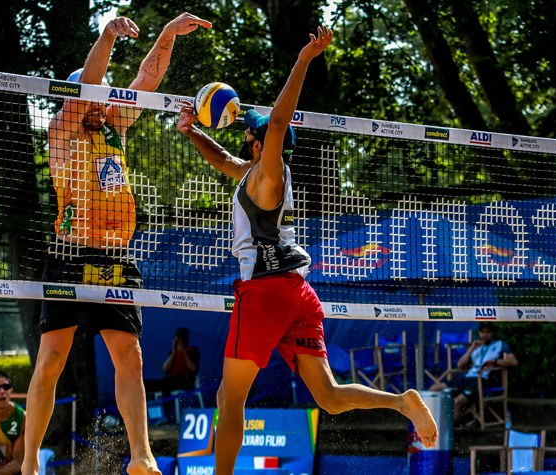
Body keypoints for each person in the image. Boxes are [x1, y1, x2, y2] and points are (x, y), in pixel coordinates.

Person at [176, 26, 439, 474]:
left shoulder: (269, 173)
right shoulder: (256, 174)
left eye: (251, 137)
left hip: (265, 292)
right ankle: (402, 402)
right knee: (331, 399)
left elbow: (277, 123)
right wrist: (191, 132)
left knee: (228, 397)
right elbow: (225, 161)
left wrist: (304, 59)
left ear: (262, 145)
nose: (245, 139)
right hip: (297, 291)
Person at [23, 12, 211, 475]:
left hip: (114, 255)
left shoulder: (114, 126)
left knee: (130, 354)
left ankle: (141, 456)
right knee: (50, 360)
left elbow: (147, 78)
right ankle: (28, 462)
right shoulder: (63, 129)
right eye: (96, 96)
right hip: (70, 253)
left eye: (105, 98)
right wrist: (106, 34)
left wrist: (166, 34)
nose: (103, 101)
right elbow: (89, 81)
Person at [430, 321, 517, 422]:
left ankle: (448, 431)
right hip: (467, 378)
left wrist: (495, 361)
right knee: (434, 389)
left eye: (488, 332)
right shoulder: (476, 347)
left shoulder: (499, 345)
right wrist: (471, 348)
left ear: (492, 333)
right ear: (479, 333)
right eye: (482, 332)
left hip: (482, 380)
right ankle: (434, 424)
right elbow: (460, 365)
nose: (485, 335)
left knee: (458, 401)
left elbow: (513, 361)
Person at [145, 327, 200, 393]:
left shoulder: (192, 350)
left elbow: (193, 369)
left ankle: (166, 403)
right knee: (146, 383)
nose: (177, 343)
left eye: (179, 341)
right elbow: (165, 368)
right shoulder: (173, 352)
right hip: (170, 380)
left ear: (184, 340)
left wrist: (184, 353)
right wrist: (174, 351)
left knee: (166, 384)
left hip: (184, 381)